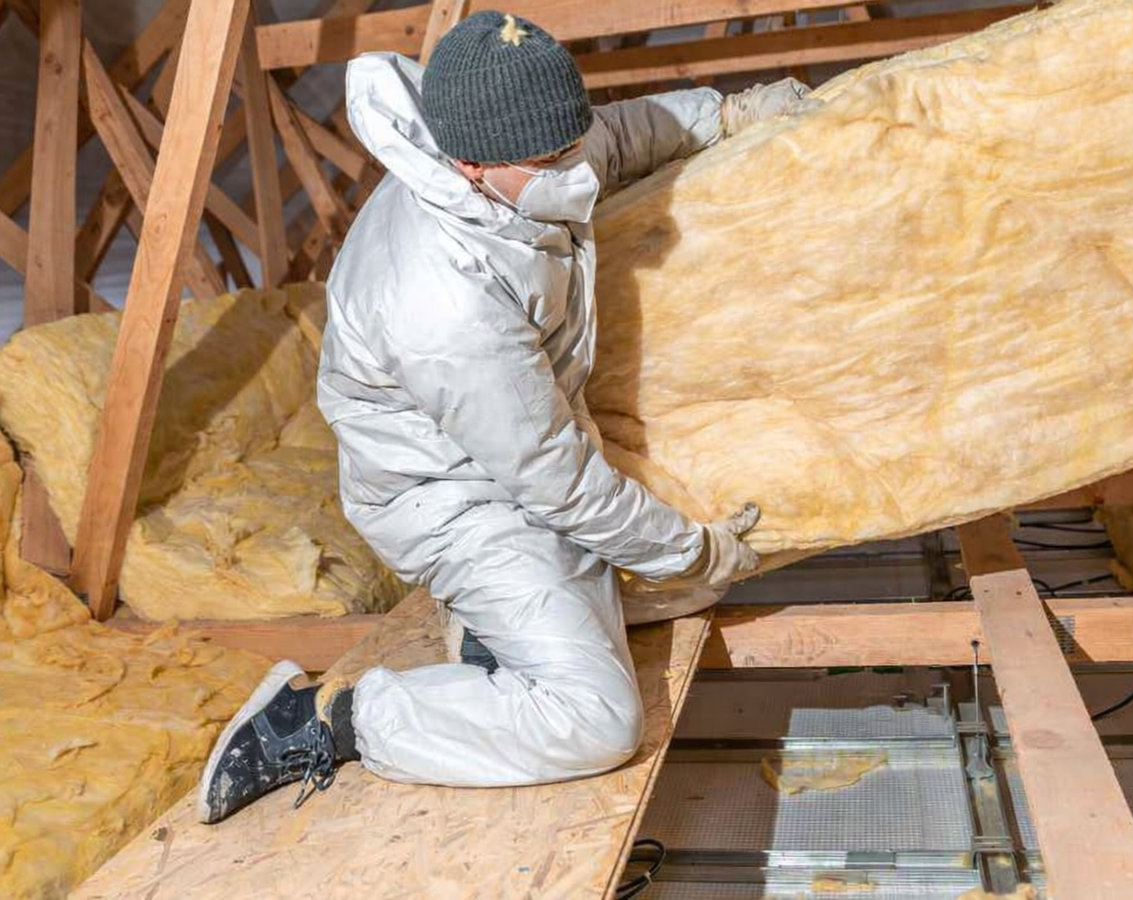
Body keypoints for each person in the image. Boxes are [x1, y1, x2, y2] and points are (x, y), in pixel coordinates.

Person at [196, 10, 815, 824]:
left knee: (684, 593)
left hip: (516, 456)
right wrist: (690, 546)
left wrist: (728, 114)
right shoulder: (442, 297)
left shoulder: (511, 143)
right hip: (453, 498)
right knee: (596, 719)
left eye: (568, 145)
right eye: (552, 160)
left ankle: (498, 635)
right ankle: (327, 718)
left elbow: (612, 137)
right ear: (469, 163)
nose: (579, 171)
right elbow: (554, 481)